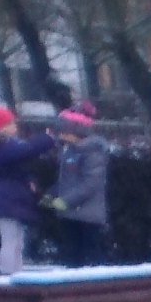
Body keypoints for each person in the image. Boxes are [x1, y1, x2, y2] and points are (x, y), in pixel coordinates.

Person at [0, 105, 57, 274]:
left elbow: (14, 167)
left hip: (8, 199)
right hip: (6, 200)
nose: (15, 127)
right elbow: (26, 150)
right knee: (10, 240)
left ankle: (16, 273)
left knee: (16, 241)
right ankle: (10, 275)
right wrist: (46, 139)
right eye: (9, 123)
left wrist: (28, 180)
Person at [42, 106, 112, 266]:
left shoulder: (93, 152)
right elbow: (66, 180)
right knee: (72, 254)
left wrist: (66, 201)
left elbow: (90, 184)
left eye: (65, 132)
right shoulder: (70, 151)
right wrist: (51, 194)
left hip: (88, 214)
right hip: (69, 212)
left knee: (93, 254)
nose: (61, 136)